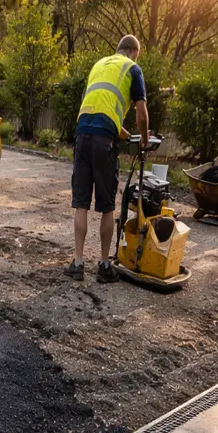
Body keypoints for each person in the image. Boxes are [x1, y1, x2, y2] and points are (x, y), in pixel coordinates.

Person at [64, 34, 150, 284]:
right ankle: (103, 265)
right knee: (106, 205)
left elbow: (100, 108)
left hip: (82, 134)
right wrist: (143, 140)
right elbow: (142, 115)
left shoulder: (99, 65)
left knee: (81, 202)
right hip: (104, 142)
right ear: (134, 52)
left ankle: (78, 263)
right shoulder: (132, 68)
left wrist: (123, 133)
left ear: (118, 49)